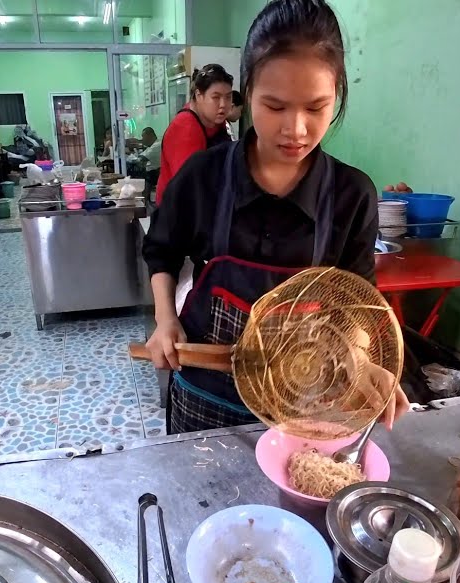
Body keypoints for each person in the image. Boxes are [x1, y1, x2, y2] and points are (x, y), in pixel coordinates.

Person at [142, 0, 408, 435]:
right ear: (247, 94)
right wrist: (165, 320)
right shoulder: (203, 176)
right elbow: (162, 251)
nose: (296, 129)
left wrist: (365, 364)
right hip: (206, 393)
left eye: (316, 107)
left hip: (302, 399)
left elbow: (356, 301)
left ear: (337, 95)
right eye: (276, 106)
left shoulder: (352, 195)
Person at [155, 63, 233, 203]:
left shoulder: (216, 121)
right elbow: (189, 189)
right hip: (179, 215)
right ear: (198, 95)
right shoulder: (186, 128)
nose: (223, 104)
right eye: (216, 97)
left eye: (228, 97)